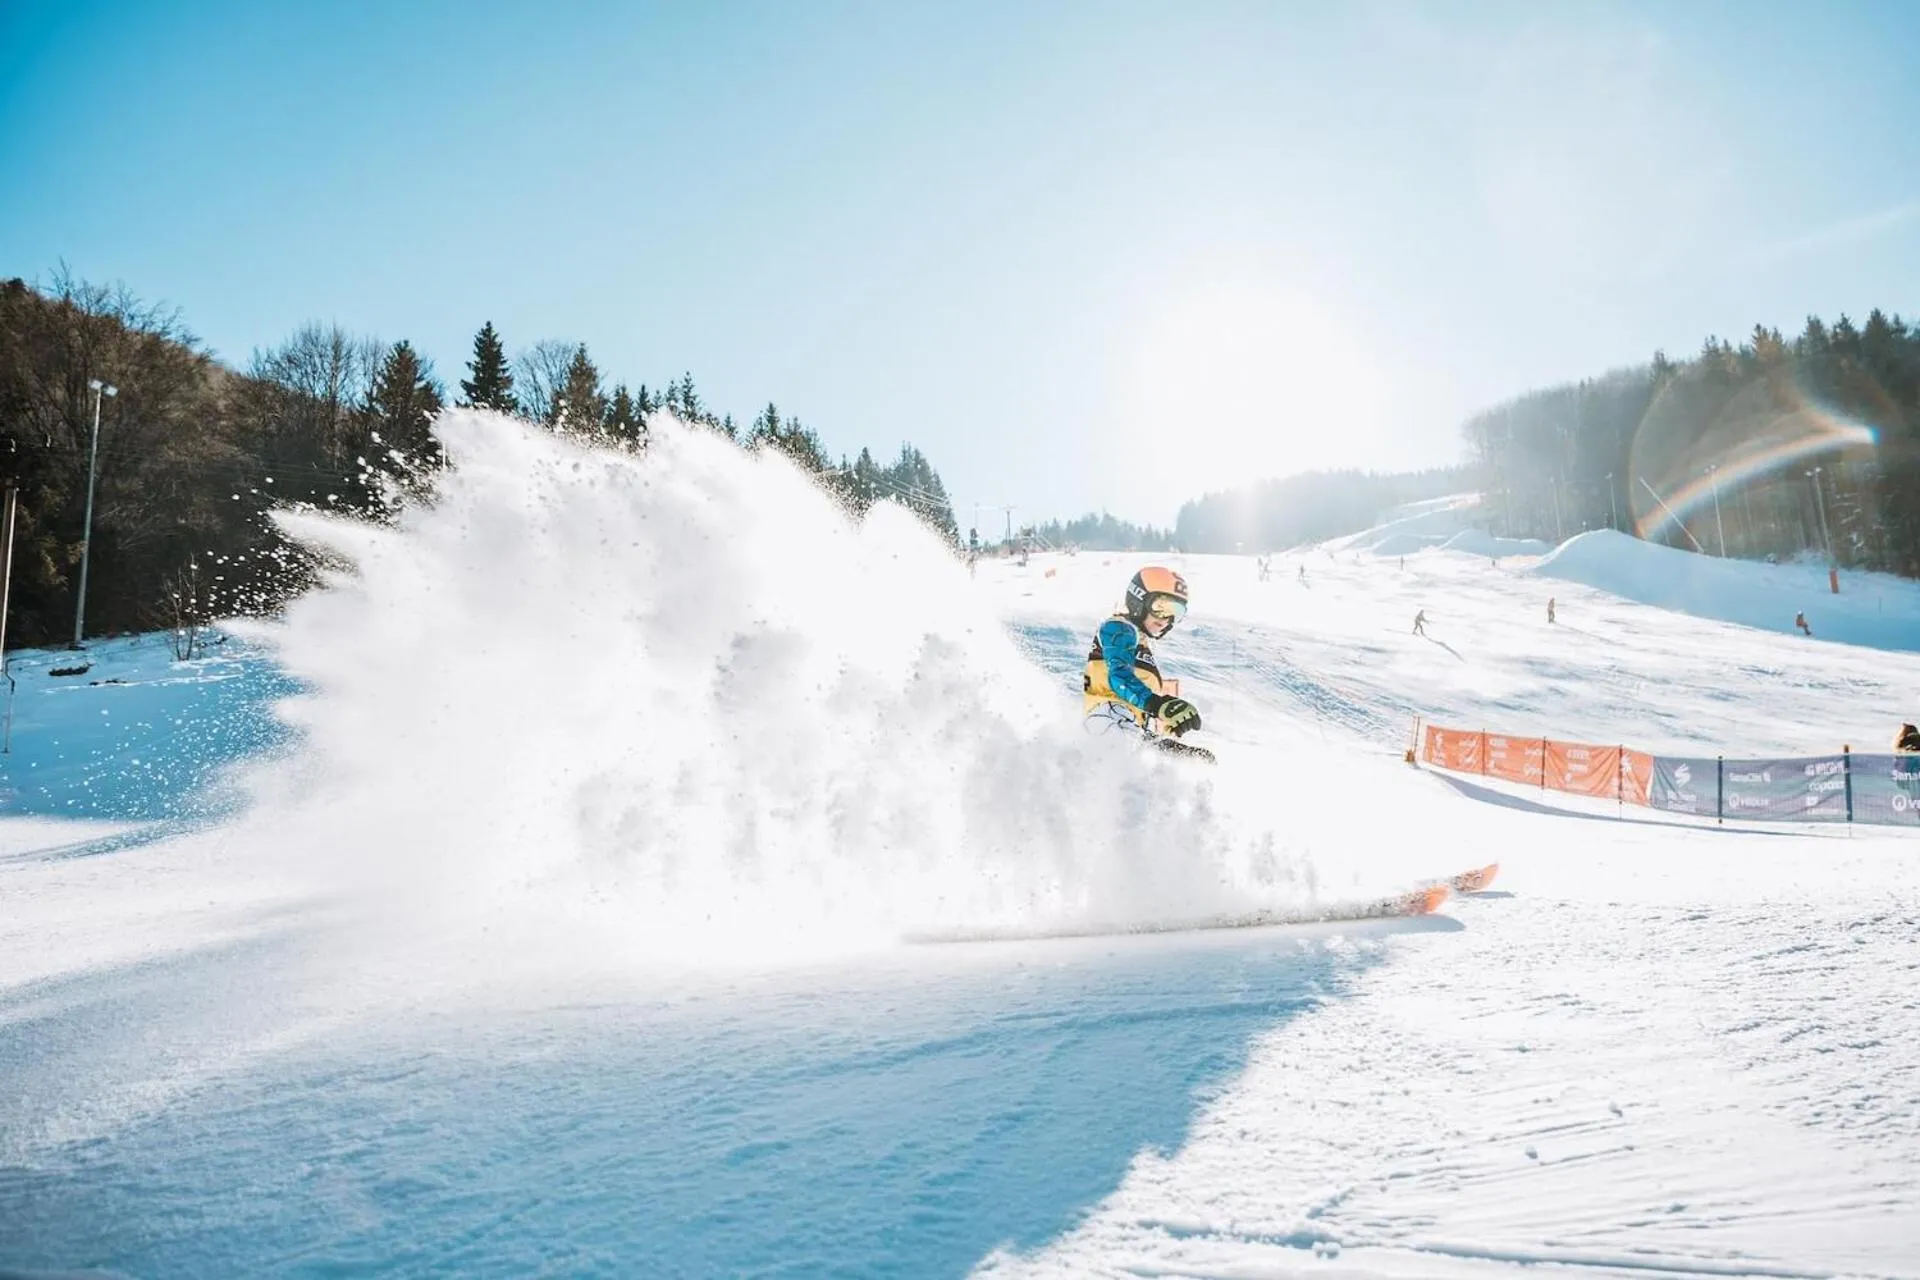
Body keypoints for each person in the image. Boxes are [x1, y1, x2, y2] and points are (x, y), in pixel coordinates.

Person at [1083, 566, 1206, 754]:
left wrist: (1166, 741)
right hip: (1108, 720)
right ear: (1138, 599)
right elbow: (1119, 677)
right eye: (1161, 607)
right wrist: (1158, 705)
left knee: (1197, 761)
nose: (1167, 619)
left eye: (1176, 612)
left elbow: (1135, 712)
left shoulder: (1141, 645)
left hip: (1126, 728)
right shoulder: (1118, 628)